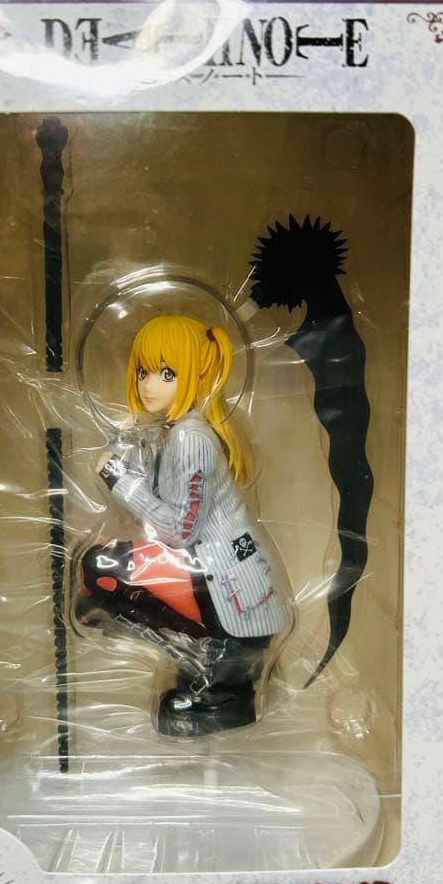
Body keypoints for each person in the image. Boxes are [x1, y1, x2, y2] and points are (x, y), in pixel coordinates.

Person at [76, 314, 291, 737]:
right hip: (217, 578)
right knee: (104, 570)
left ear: (196, 374)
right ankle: (203, 663)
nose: (148, 384)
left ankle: (216, 674)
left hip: (228, 593)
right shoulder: (180, 433)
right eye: (143, 371)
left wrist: (119, 479)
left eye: (167, 373)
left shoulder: (191, 439)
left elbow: (179, 532)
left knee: (101, 570)